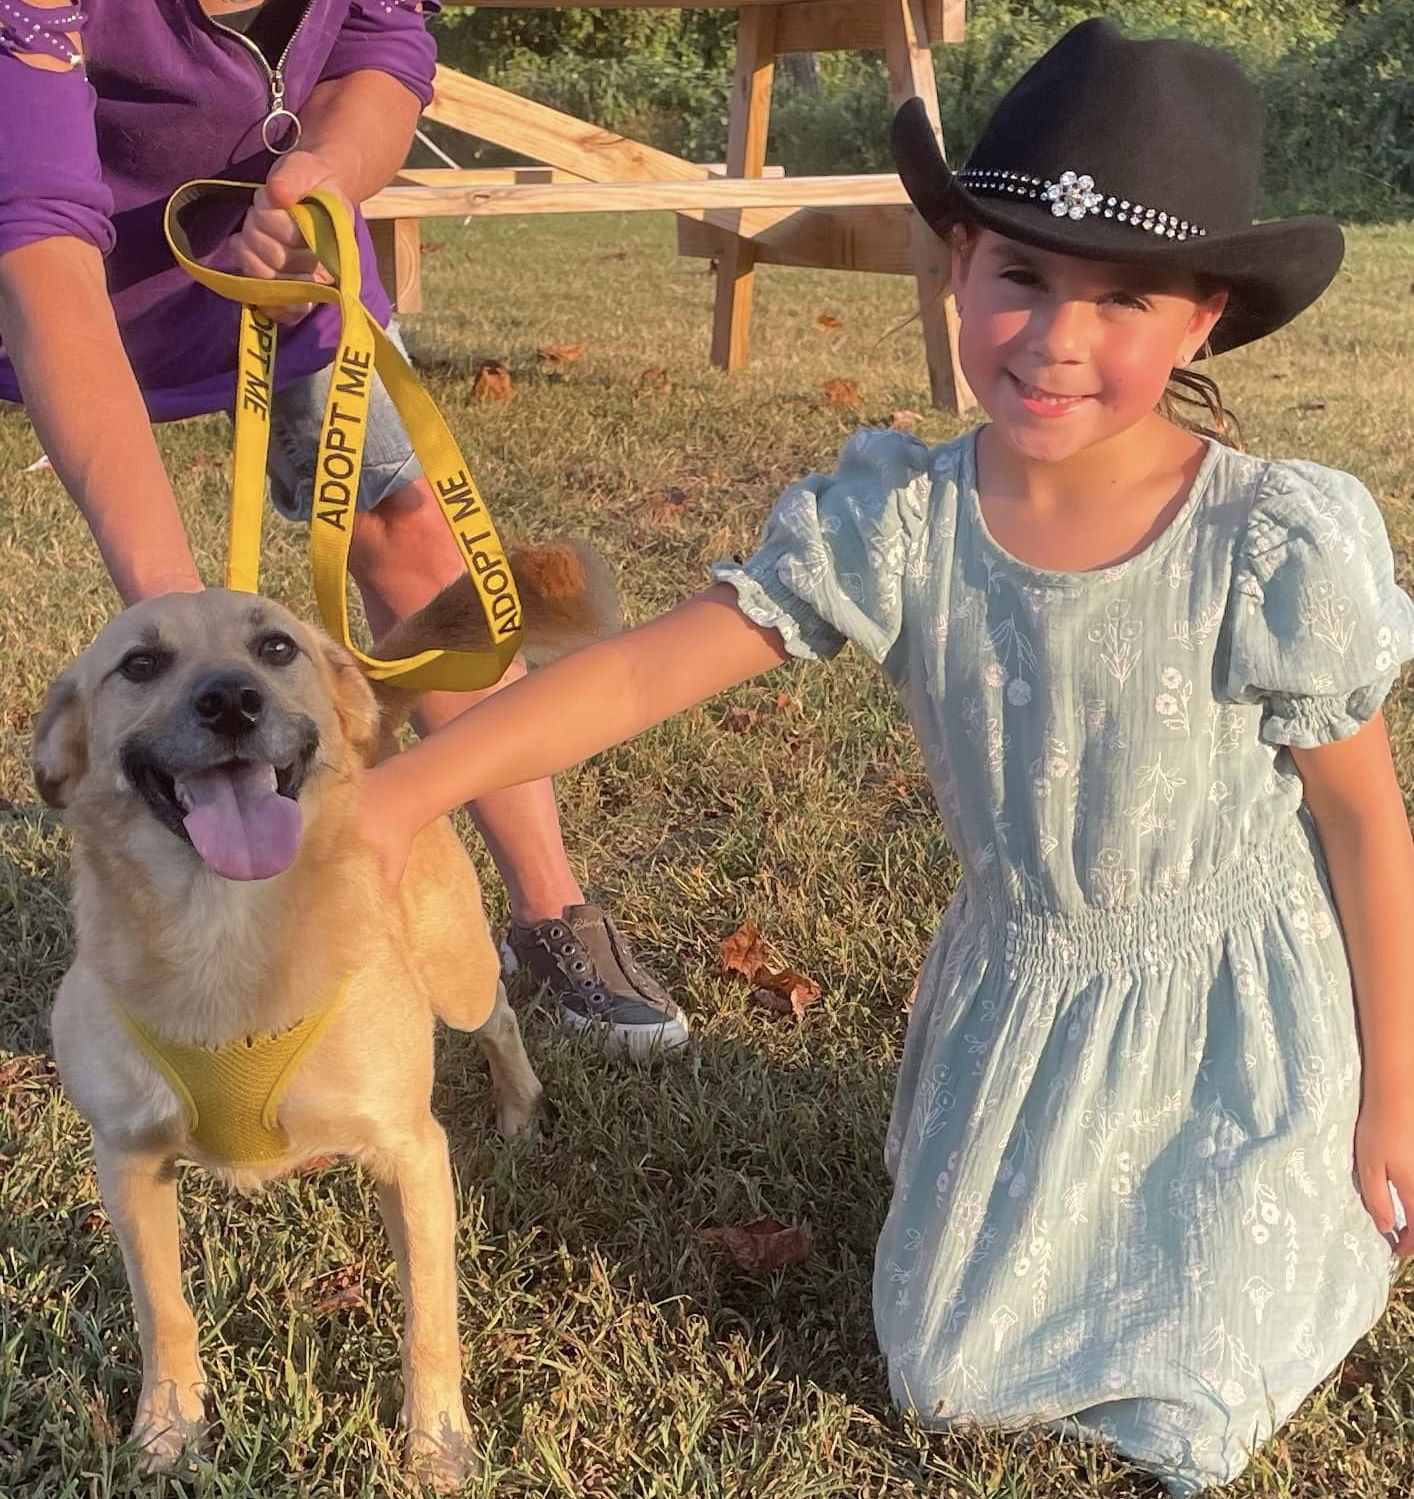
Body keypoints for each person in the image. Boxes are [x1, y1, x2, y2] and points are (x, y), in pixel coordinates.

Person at [353, 18, 1414, 1492]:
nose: (1053, 338)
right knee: (948, 1368)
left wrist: (1390, 1090)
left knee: (1203, 1358)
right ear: (954, 262)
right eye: (1021, 274)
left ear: (1205, 321)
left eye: (1122, 300)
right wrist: (399, 791)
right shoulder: (901, 518)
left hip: (1232, 1008)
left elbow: (1360, 817)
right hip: (1021, 978)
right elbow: (651, 663)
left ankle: (1257, 1208)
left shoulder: (1267, 539)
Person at [0, 0, 688, 1058]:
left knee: (410, 528)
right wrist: (187, 628)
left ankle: (551, 914)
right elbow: (39, 250)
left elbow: (381, 47)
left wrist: (326, 171)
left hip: (290, 259)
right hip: (49, 272)